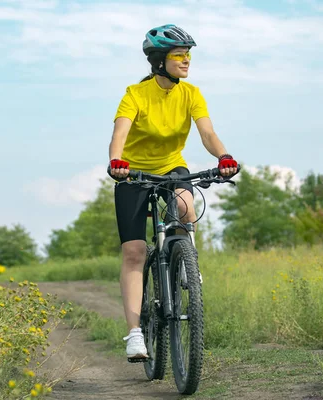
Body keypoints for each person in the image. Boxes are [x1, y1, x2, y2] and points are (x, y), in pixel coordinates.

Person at [107, 24, 238, 361]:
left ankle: (186, 267)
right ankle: (135, 334)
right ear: (159, 61)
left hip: (171, 166)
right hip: (134, 172)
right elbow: (119, 134)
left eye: (188, 55)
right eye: (179, 55)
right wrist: (116, 161)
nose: (186, 60)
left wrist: (223, 156)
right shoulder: (135, 94)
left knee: (185, 206)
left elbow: (207, 133)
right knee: (134, 251)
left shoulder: (191, 93)